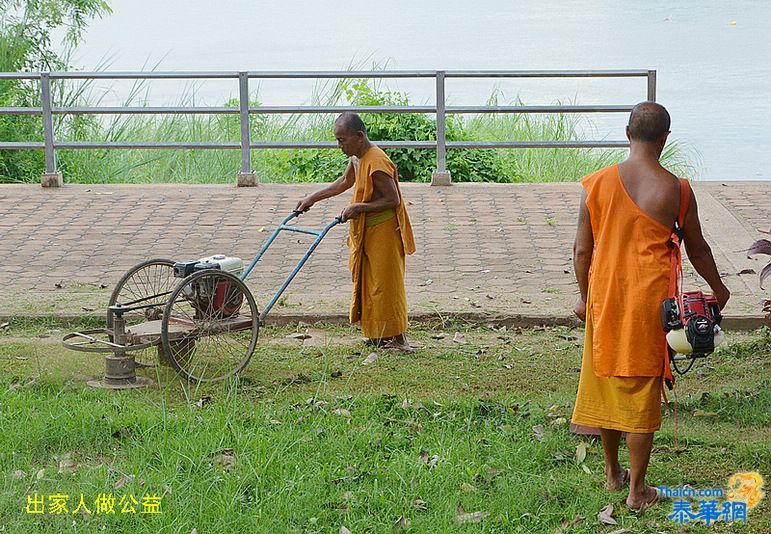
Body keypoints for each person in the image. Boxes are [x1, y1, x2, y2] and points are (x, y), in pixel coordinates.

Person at [570, 102, 730, 509]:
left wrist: (586, 300)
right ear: (664, 139)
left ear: (627, 133)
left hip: (605, 297)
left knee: (605, 377)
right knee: (642, 386)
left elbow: (580, 251)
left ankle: (611, 473)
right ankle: (637, 491)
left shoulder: (598, 183)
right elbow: (697, 247)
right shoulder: (676, 189)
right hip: (649, 302)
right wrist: (719, 288)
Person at [296, 112, 416, 351]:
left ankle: (400, 340)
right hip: (367, 230)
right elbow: (344, 182)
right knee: (369, 282)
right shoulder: (357, 157)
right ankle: (378, 335)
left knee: (386, 284)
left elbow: (392, 200)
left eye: (343, 140)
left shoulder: (376, 161)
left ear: (359, 137)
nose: (339, 146)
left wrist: (357, 207)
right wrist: (312, 198)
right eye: (337, 141)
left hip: (384, 230)